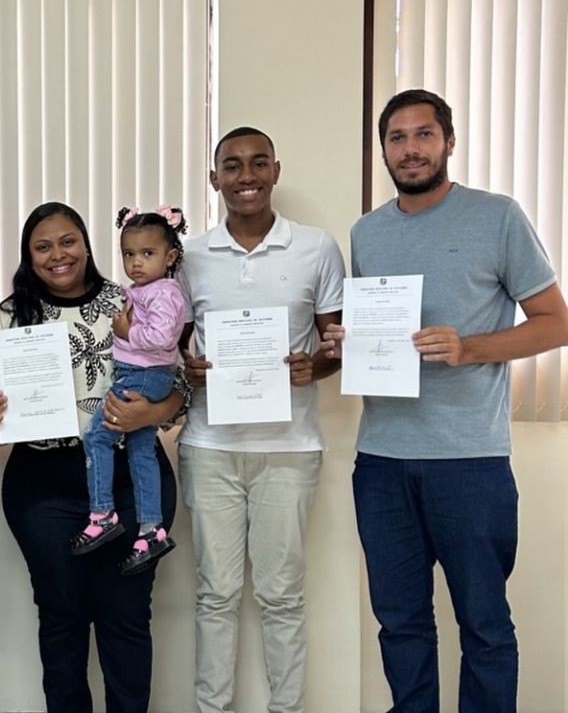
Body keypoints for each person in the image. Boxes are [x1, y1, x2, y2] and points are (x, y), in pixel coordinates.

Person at [322, 89, 568, 711]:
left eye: (424, 135)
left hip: (470, 461)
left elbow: (554, 322)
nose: (411, 149)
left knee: (484, 625)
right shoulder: (367, 232)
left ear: (449, 142)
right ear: (383, 150)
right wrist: (350, 342)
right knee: (400, 624)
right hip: (381, 460)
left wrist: (469, 348)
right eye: (397, 138)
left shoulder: (498, 216)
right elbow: (382, 334)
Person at [0, 201, 187, 713]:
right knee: (62, 617)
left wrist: (150, 412)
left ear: (87, 245)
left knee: (127, 617)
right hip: (43, 486)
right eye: (42, 246)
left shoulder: (130, 299)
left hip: (130, 481)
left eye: (67, 241)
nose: (57, 255)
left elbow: (179, 387)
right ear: (29, 256)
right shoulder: (9, 315)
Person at [178, 127, 345, 713]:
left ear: (275, 170)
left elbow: (336, 345)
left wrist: (314, 367)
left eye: (256, 164)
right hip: (209, 445)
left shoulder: (317, 248)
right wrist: (189, 371)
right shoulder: (190, 256)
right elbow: (168, 347)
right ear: (214, 177)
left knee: (281, 597)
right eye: (231, 166)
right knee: (215, 596)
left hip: (290, 448)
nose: (244, 176)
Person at [74, 205, 187, 575]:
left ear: (169, 257)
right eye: (129, 254)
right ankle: (151, 529)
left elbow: (160, 337)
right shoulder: (142, 290)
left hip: (143, 374)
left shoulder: (165, 293)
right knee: (141, 449)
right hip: (141, 372)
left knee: (96, 437)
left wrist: (126, 333)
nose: (136, 262)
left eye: (147, 254)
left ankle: (103, 513)